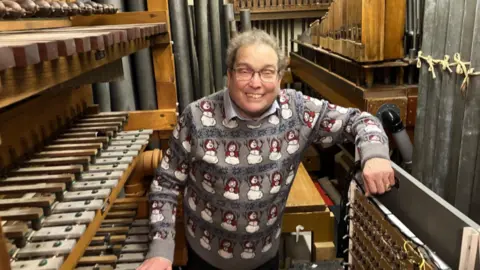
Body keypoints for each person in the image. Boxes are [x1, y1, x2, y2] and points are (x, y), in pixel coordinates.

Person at [137, 29, 394, 270]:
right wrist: (160, 249)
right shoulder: (196, 117)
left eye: (267, 72)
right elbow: (166, 183)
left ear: (280, 78)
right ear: (229, 74)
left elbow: (359, 120)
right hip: (204, 258)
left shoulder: (298, 111)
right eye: (244, 71)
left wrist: (374, 155)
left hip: (266, 259)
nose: (256, 83)